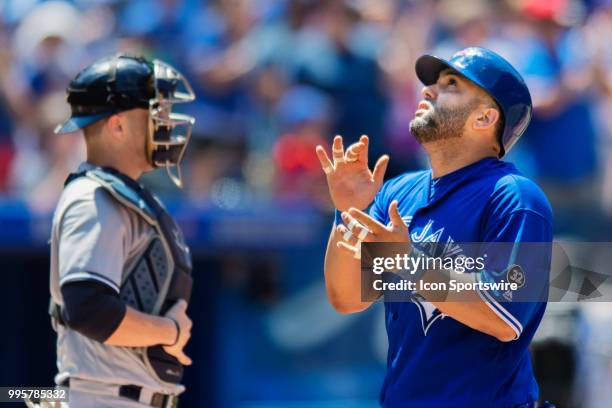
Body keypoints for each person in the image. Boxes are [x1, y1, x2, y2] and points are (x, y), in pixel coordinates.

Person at [316, 47, 554, 407]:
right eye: (432, 83)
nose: (427, 90)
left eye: (451, 84)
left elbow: (504, 316)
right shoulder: (398, 192)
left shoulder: (515, 197)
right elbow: (347, 298)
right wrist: (348, 211)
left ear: (484, 118)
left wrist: (408, 261)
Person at [44, 54, 197, 407]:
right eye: (155, 113)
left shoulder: (124, 196)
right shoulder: (93, 196)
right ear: (117, 126)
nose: (165, 123)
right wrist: (170, 331)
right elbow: (91, 308)